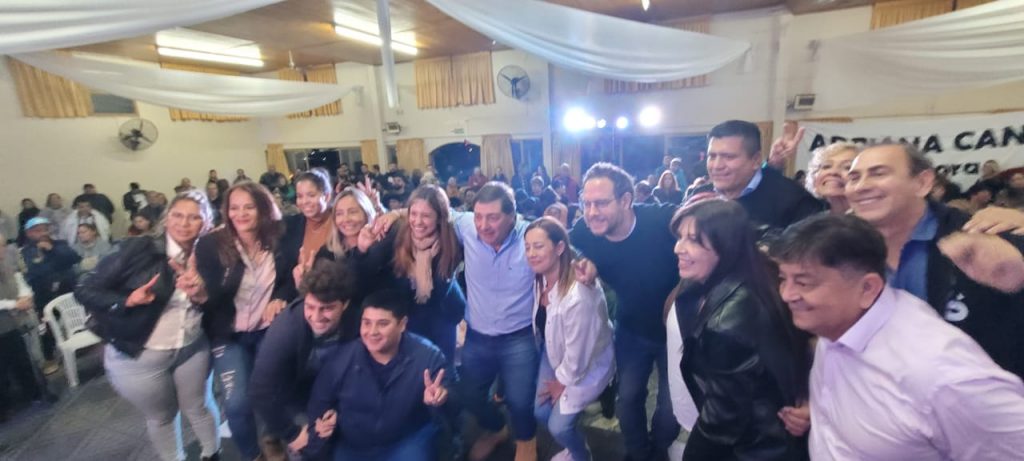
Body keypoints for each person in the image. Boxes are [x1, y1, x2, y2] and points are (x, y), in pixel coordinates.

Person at [771, 213, 1024, 459]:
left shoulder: (944, 378)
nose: (787, 295)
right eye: (783, 279)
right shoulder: (834, 323)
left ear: (867, 288)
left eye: (804, 283)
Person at [845, 142, 1024, 378]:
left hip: (980, 392)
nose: (861, 186)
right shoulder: (842, 249)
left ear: (923, 183)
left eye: (878, 174)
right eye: (853, 178)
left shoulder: (987, 236)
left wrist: (1018, 279)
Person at [74, 190, 221, 461]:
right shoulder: (139, 248)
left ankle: (213, 454)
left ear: (206, 223)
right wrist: (126, 300)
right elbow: (84, 288)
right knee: (162, 417)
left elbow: (217, 305)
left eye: (194, 218)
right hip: (139, 354)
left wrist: (203, 294)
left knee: (200, 406)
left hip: (192, 348)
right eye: (177, 215)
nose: (184, 223)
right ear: (166, 218)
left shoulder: (210, 255)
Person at [669, 199, 810, 460]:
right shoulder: (746, 269)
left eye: (694, 240)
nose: (679, 248)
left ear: (726, 244)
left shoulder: (729, 322)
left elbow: (721, 421)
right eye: (680, 237)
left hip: (755, 446)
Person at [570, 163, 681, 461]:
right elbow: (564, 242)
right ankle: (637, 453)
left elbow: (711, 225)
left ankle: (659, 451)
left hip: (678, 332)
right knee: (628, 400)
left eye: (601, 203)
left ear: (626, 200)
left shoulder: (661, 219)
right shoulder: (584, 232)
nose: (591, 212)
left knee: (671, 410)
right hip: (631, 329)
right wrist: (585, 257)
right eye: (586, 203)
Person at [193, 182, 291, 461]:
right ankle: (252, 454)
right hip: (229, 334)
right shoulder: (211, 244)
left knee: (272, 392)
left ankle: (272, 440)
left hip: (267, 330)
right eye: (234, 208)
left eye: (249, 207)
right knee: (236, 403)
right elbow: (211, 297)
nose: (241, 214)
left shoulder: (279, 236)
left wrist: (280, 297)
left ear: (263, 208)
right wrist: (200, 293)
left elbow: (288, 279)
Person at [304, 289, 454, 461]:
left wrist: (441, 397)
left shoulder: (427, 356)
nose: (372, 332)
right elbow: (319, 404)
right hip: (354, 446)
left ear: (402, 324)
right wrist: (320, 428)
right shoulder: (341, 359)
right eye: (366, 323)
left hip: (406, 442)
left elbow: (453, 401)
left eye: (382, 324)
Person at [525, 218, 614, 461]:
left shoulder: (577, 295)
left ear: (560, 247)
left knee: (558, 427)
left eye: (538, 246)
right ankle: (575, 440)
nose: (531, 254)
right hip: (554, 351)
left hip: (586, 362)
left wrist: (561, 382)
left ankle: (580, 454)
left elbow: (579, 355)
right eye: (528, 247)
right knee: (541, 412)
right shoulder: (541, 277)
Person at [249, 259, 357, 459]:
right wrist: (293, 434)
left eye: (326, 308)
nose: (316, 316)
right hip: (290, 397)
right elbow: (260, 389)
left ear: (345, 305)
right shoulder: (286, 329)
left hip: (329, 393)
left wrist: (338, 410)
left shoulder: (355, 324)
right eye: (310, 307)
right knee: (306, 448)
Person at [357, 185, 465, 362]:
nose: (418, 221)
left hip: (441, 326)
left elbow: (453, 305)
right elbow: (368, 270)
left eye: (426, 216)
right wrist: (362, 249)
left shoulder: (451, 240)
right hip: (406, 326)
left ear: (439, 218)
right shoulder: (397, 235)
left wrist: (440, 275)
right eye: (413, 214)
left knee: (441, 372)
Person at [687, 120, 823, 234]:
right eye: (712, 156)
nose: (717, 165)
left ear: (756, 160)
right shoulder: (699, 196)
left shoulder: (794, 201)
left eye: (728, 157)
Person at [0, 232, 52, 422]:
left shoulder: (5, 263)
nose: (3, 250)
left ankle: (35, 394)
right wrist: (14, 304)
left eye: (3, 245)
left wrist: (26, 296)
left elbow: (19, 280)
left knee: (23, 361)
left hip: (13, 323)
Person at [19, 217, 80, 374]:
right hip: (44, 294)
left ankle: (79, 345)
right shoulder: (26, 252)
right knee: (46, 327)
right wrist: (50, 263)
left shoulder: (59, 244)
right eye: (38, 231)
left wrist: (52, 250)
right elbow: (34, 271)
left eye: (45, 229)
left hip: (67, 289)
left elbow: (74, 258)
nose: (43, 233)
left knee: (75, 318)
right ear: (29, 233)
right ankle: (50, 356)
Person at [280, 168, 335, 304]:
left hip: (332, 297)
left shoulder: (340, 222)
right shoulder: (290, 225)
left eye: (311, 195)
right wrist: (279, 298)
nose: (304, 201)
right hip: (296, 298)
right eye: (300, 196)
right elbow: (284, 274)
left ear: (326, 196)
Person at [804, 142, 857, 214]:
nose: (833, 172)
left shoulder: (869, 218)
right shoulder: (808, 217)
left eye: (847, 167)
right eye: (826, 166)